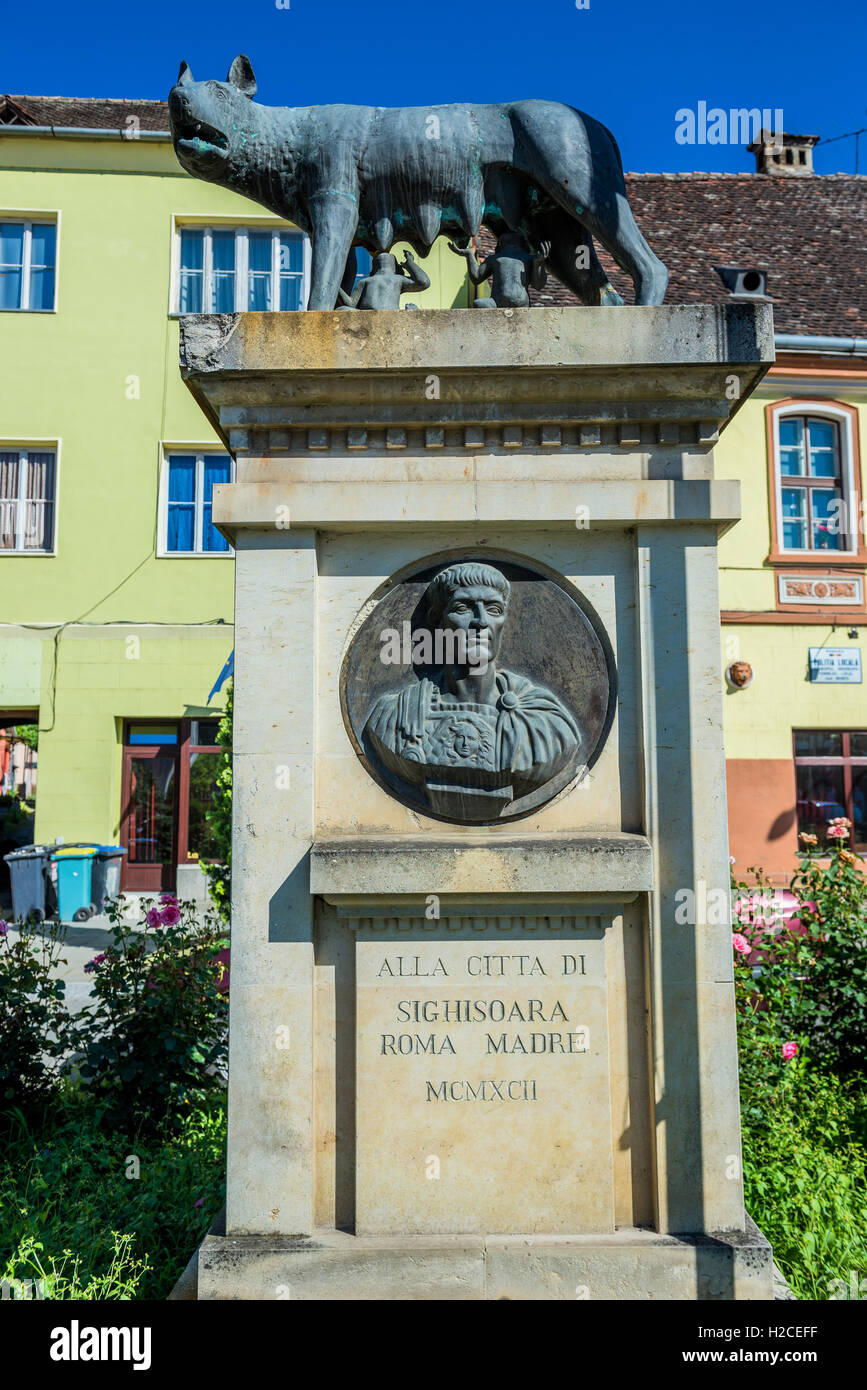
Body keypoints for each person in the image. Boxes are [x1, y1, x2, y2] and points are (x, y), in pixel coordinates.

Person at [363, 561, 581, 820]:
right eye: (462, 608)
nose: (480, 621)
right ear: (438, 621)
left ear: (503, 622)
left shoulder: (546, 725)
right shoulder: (394, 716)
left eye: (493, 609)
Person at [337, 251, 430, 309]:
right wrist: (410, 264)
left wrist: (336, 287)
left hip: (388, 317)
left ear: (373, 267)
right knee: (342, 310)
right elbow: (423, 282)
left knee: (341, 310)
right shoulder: (397, 279)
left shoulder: (397, 279)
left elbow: (351, 303)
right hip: (367, 317)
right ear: (395, 267)